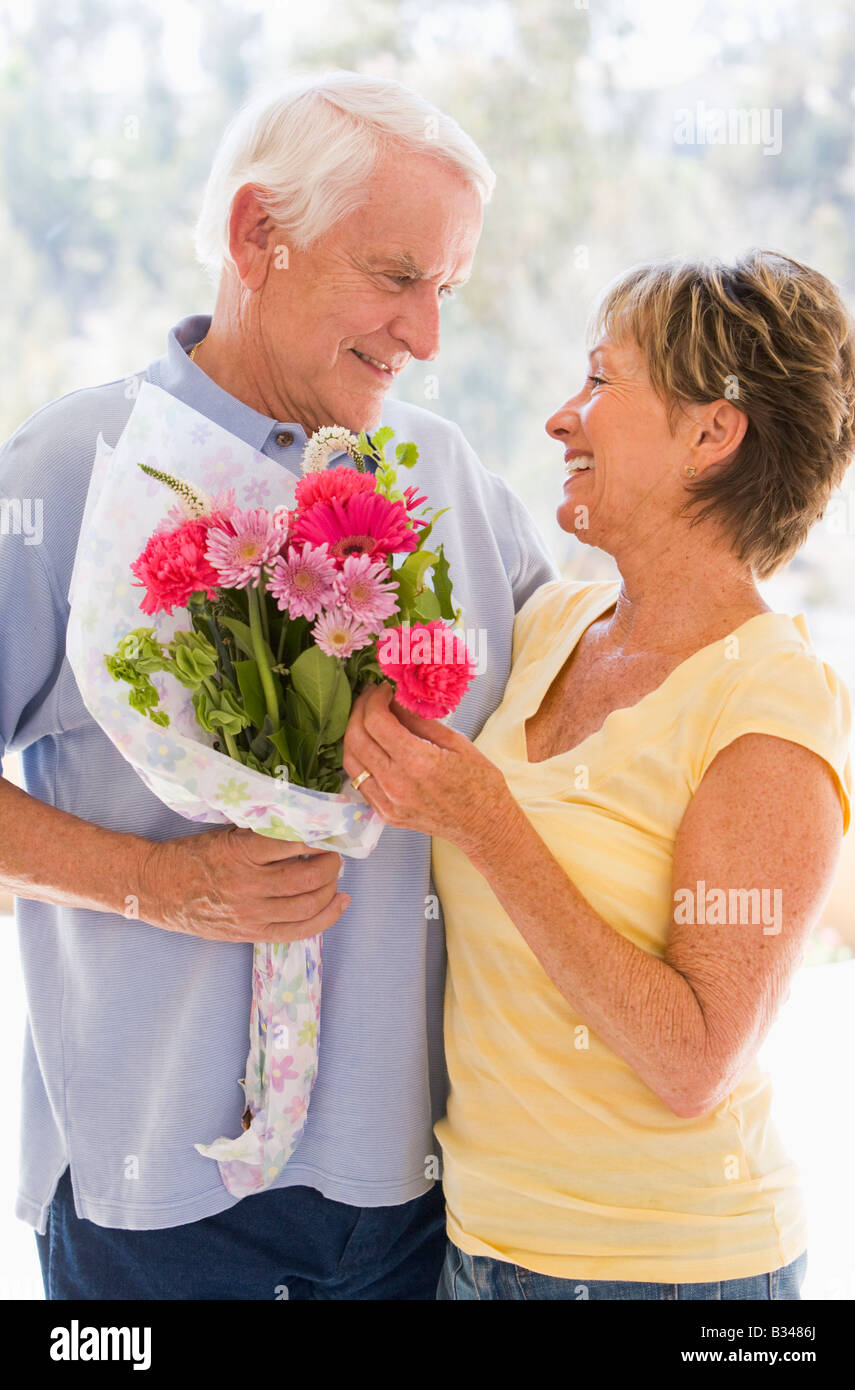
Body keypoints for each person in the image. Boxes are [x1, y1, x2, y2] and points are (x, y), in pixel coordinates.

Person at [0, 71, 556, 1300]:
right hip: (153, 1210)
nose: (427, 337)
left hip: (426, 1197)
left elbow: (589, 724)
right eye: (398, 276)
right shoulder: (68, 469)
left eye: (447, 291)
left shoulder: (445, 475)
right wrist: (149, 883)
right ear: (261, 236)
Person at [343, 249, 855, 1300]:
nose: (559, 418)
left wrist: (489, 824)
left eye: (599, 381)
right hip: (481, 1250)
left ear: (711, 433)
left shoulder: (768, 702)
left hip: (672, 1274)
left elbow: (693, 1062)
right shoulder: (552, 625)